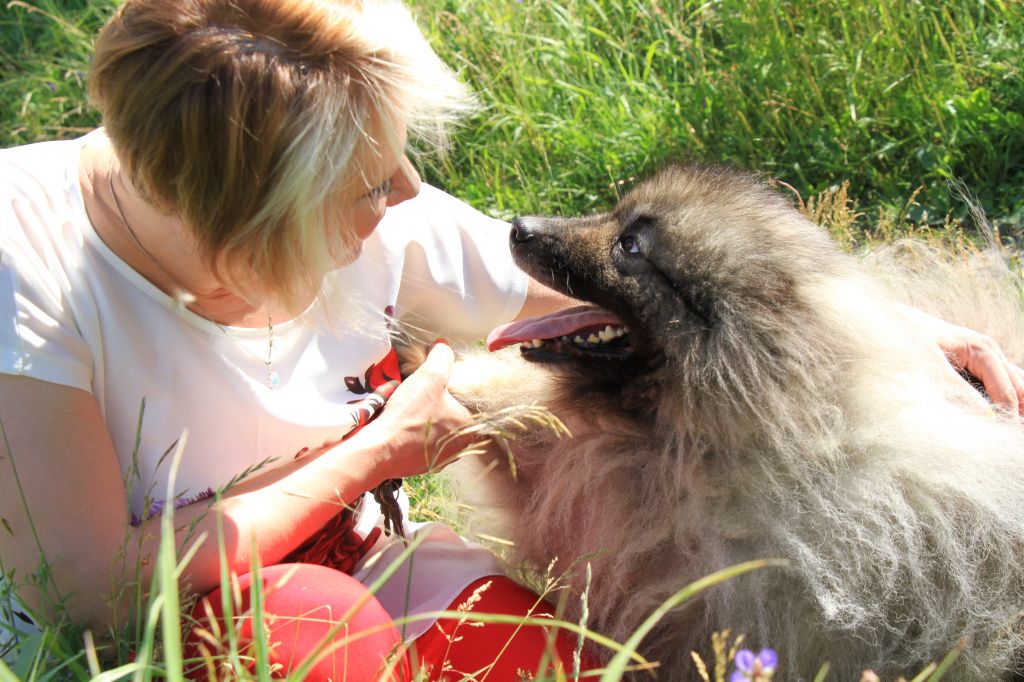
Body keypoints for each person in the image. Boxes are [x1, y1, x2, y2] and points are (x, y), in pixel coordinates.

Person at [0, 0, 1020, 679]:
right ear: (246, 219)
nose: (403, 197)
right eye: (367, 184)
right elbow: (83, 584)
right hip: (154, 639)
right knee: (311, 620)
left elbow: (633, 292)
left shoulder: (347, 212)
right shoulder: (25, 268)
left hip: (378, 579)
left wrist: (891, 333)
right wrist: (380, 451)